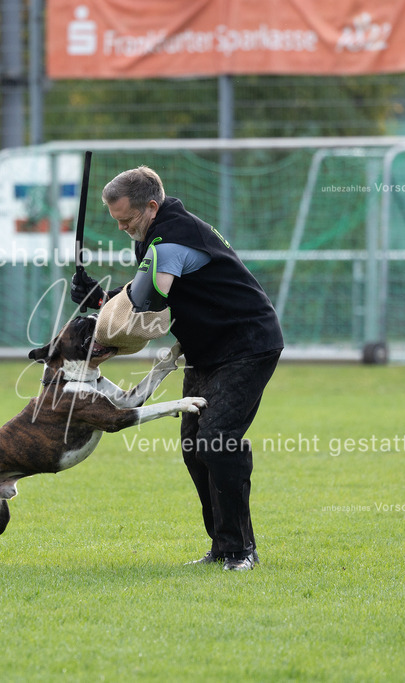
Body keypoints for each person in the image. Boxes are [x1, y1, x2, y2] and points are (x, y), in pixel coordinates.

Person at [71, 166, 284, 571]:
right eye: (115, 220)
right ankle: (223, 548)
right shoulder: (155, 233)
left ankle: (242, 551)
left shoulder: (172, 239)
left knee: (218, 440)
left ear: (151, 207)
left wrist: (103, 307)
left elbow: (149, 300)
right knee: (194, 447)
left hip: (247, 345)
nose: (121, 228)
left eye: (126, 220)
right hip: (205, 350)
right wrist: (100, 297)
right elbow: (141, 288)